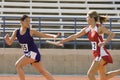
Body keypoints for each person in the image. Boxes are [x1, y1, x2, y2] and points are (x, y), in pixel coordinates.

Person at [56, 10, 120, 80]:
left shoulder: (99, 27)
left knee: (90, 74)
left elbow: (112, 34)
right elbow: (75, 36)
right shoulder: (88, 28)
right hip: (96, 54)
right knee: (104, 77)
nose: (86, 19)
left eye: (87, 17)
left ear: (92, 18)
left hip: (101, 54)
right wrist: (62, 41)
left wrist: (104, 42)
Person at [4, 15, 60, 80]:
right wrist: (6, 39)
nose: (28, 23)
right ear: (21, 22)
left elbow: (43, 35)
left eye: (29, 21)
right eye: (26, 21)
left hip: (33, 53)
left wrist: (53, 36)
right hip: (28, 54)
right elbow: (10, 43)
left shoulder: (31, 31)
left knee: (18, 65)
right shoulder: (16, 32)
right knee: (42, 71)